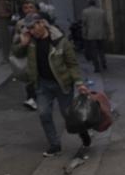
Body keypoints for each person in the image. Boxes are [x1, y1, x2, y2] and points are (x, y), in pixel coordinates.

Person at [11, 13, 90, 157]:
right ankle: (54, 145)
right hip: (42, 84)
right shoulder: (31, 41)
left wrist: (79, 83)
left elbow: (72, 64)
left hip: (62, 83)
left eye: (34, 27)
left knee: (68, 115)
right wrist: (23, 43)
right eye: (29, 28)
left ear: (42, 23)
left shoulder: (60, 40)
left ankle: (83, 134)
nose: (32, 30)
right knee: (43, 114)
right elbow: (15, 52)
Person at [12, 0, 53, 111]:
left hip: (44, 55)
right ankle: (32, 98)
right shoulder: (20, 24)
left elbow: (53, 35)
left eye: (31, 7)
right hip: (29, 56)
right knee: (31, 78)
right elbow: (15, 44)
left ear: (36, 10)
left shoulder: (43, 22)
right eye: (26, 8)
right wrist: (22, 43)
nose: (29, 10)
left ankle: (42, 98)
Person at [81, 0, 109, 73]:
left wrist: (84, 34)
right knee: (101, 50)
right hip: (101, 34)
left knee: (93, 51)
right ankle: (103, 63)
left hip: (91, 34)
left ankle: (97, 67)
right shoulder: (101, 11)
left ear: (88, 3)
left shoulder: (85, 12)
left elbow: (84, 24)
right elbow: (105, 23)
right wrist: (107, 33)